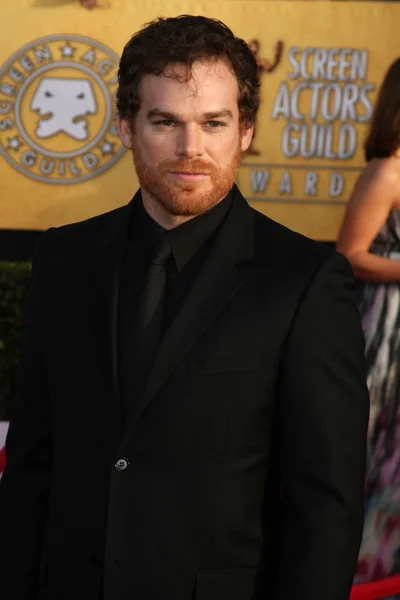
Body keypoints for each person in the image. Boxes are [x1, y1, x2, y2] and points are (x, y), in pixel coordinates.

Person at [0, 15, 369, 600]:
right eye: (165, 120)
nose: (190, 148)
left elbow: (325, 504)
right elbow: (32, 465)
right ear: (126, 127)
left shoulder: (304, 281)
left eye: (214, 123)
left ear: (244, 131)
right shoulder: (65, 260)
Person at [337, 57, 400, 586]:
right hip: (385, 330)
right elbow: (349, 254)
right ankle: (362, 571)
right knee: (375, 446)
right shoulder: (386, 172)